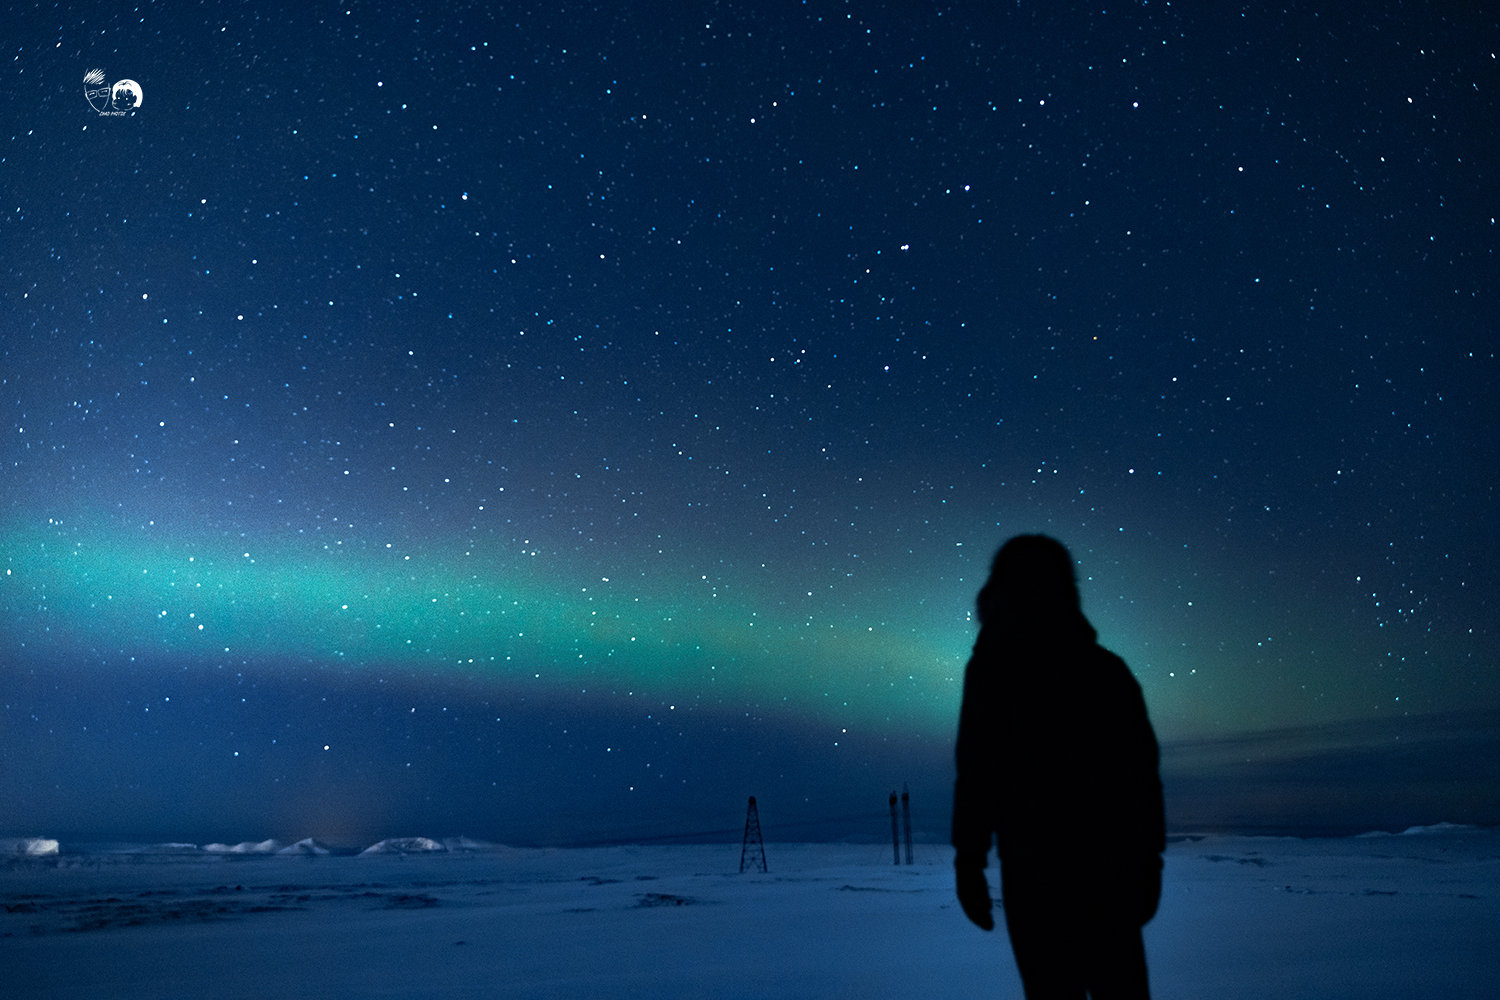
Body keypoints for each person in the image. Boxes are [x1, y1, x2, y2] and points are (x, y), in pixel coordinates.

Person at [952, 534, 1165, 999]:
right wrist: (1149, 860)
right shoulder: (1107, 669)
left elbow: (980, 769)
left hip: (1036, 872)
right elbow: (1140, 775)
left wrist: (969, 859)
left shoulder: (994, 668)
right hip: (1111, 868)